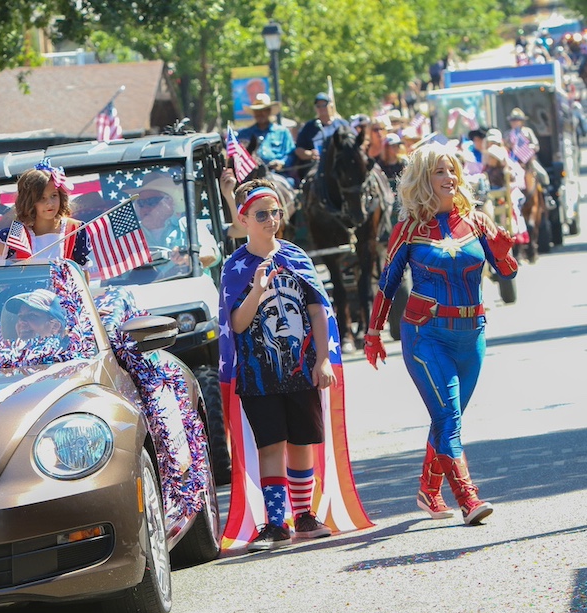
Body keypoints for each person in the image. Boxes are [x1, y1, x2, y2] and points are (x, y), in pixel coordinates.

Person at [363, 145, 518, 525]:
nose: (449, 178)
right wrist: (373, 333)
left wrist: (504, 255)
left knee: (447, 417)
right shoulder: (409, 230)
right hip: (425, 336)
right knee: (449, 416)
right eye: (439, 172)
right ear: (422, 180)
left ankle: (428, 490)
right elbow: (388, 283)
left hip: (472, 334)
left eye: (452, 170)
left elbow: (508, 275)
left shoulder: (478, 222)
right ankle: (468, 498)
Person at [220, 179, 336, 550]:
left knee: (302, 443)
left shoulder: (296, 257)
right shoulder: (235, 266)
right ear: (245, 220)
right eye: (262, 214)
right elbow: (237, 323)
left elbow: (318, 310)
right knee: (271, 445)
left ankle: (303, 516)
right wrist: (256, 288)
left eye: (275, 212)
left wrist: (323, 359)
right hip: (259, 374)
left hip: (302, 369)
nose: (271, 220)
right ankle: (275, 523)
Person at [0, 162, 90, 266]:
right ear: (30, 202)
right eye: (41, 198)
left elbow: (83, 272)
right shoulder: (18, 232)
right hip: (28, 290)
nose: (49, 203)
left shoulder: (75, 229)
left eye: (54, 195)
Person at [121, 171, 220, 273]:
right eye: (141, 203)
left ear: (170, 202)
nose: (145, 207)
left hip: (188, 286)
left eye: (152, 201)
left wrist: (189, 258)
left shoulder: (189, 225)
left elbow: (212, 254)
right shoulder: (130, 236)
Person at [294, 92, 350, 181]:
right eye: (318, 106)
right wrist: (310, 154)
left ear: (331, 106)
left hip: (340, 165)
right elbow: (298, 150)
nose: (321, 108)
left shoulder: (342, 125)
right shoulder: (309, 127)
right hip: (317, 168)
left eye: (324, 105)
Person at [235, 93, 295, 173]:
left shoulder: (283, 132)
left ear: (269, 111)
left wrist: (281, 162)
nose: (260, 113)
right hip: (251, 174)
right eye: (257, 111)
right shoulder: (244, 134)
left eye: (263, 110)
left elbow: (291, 154)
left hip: (279, 173)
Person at [1, 288, 67, 340]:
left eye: (32, 316)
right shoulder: (6, 356)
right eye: (20, 316)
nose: (21, 322)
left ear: (55, 326)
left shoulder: (69, 356)